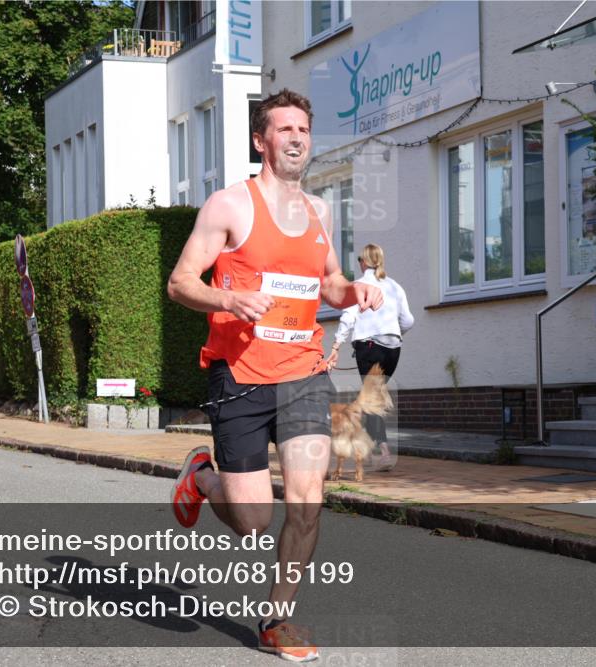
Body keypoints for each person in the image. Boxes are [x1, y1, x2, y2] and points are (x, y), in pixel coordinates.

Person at [166, 88, 383, 662]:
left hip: (304, 371)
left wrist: (353, 290)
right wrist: (229, 300)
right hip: (239, 373)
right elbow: (180, 281)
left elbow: (329, 281)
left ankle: (275, 620)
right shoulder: (229, 206)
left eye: (304, 130)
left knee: (308, 501)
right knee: (253, 521)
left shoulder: (321, 210)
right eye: (284, 129)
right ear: (262, 141)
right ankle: (203, 478)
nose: (296, 138)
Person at [327, 244, 414, 471]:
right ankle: (369, 448)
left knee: (370, 398)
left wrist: (336, 345)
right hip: (393, 348)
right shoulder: (395, 286)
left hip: (370, 347)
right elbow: (408, 321)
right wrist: (392, 333)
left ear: (363, 262)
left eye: (358, 261)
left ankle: (383, 451)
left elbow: (348, 317)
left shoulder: (359, 286)